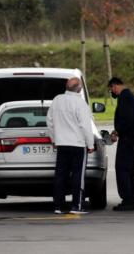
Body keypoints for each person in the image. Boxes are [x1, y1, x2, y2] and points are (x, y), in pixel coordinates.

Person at [47, 77, 94, 215]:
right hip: (78, 144)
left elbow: (49, 121)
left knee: (60, 175)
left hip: (62, 144)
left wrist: (54, 139)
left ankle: (58, 206)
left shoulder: (57, 100)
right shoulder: (81, 103)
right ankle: (76, 206)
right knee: (78, 176)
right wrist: (90, 144)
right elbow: (85, 126)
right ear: (79, 88)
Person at [108, 77, 134, 211]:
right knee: (129, 168)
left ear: (115, 86)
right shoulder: (130, 96)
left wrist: (117, 132)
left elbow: (126, 119)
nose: (112, 92)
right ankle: (132, 199)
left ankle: (128, 199)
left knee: (122, 168)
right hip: (131, 137)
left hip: (128, 138)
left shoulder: (125, 97)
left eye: (111, 89)